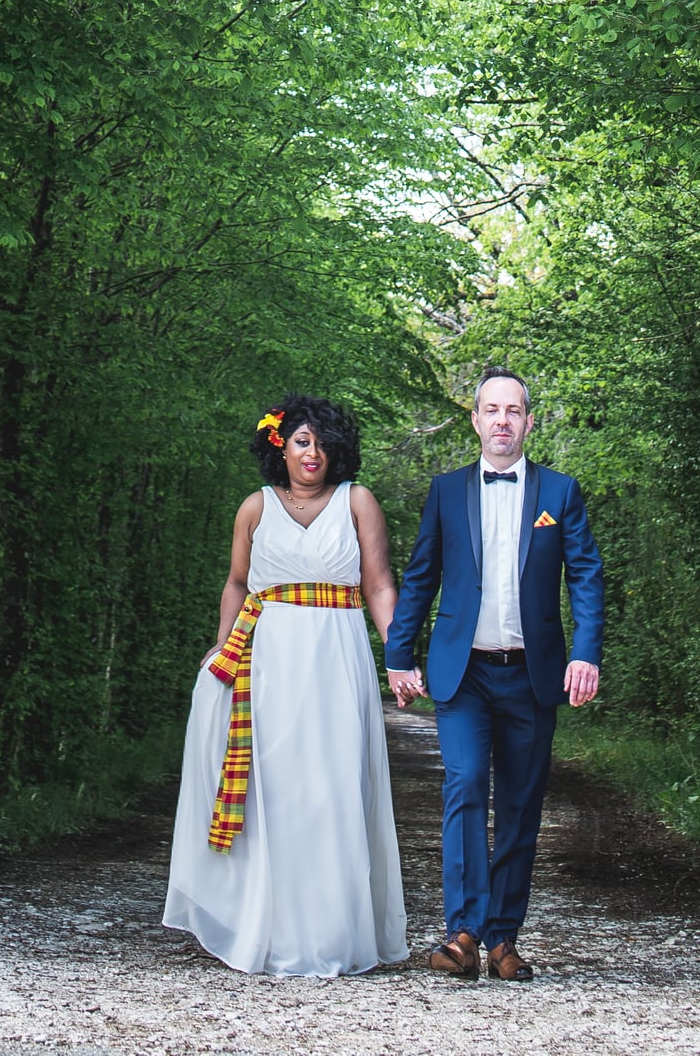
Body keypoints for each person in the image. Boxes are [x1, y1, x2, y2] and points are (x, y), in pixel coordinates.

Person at [164, 395, 408, 978]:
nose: (313, 453)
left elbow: (378, 586)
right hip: (265, 658)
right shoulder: (254, 508)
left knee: (331, 787)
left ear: (337, 449)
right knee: (274, 790)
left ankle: (331, 933)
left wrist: (398, 657)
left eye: (323, 443)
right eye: (302, 441)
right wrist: (223, 643)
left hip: (336, 656)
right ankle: (265, 929)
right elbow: (237, 583)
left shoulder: (357, 503)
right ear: (281, 446)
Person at [383, 365, 604, 983]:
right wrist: (400, 654)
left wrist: (584, 652)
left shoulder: (560, 493)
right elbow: (422, 575)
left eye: (514, 411)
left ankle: (504, 938)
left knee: (519, 806)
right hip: (464, 676)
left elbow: (585, 573)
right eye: (492, 410)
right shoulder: (447, 491)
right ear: (476, 421)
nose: (503, 420)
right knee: (464, 791)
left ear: (528, 423)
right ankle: (462, 933)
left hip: (533, 675)